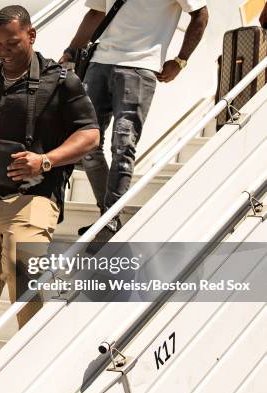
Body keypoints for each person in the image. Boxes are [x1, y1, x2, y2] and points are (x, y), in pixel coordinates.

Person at [0, 5, 100, 381]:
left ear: (31, 36)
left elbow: (90, 134)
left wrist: (45, 161)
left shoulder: (61, 80)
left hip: (33, 198)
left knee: (26, 285)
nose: (3, 50)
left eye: (12, 42)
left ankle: (34, 376)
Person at [60, 0, 209, 240]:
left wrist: (181, 60)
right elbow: (96, 12)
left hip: (140, 68)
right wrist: (70, 50)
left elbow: (200, 15)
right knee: (86, 143)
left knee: (123, 145)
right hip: (99, 63)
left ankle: (108, 222)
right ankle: (109, 218)